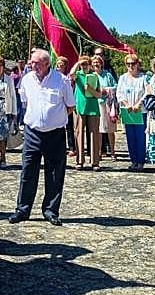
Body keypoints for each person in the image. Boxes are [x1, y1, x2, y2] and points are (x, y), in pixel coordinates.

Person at [9, 49, 75, 226]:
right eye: (31, 62)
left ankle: (51, 210)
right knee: (28, 171)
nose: (32, 65)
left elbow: (70, 106)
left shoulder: (61, 80)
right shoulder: (27, 79)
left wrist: (54, 119)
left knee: (54, 173)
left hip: (55, 134)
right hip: (32, 132)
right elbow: (24, 101)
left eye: (36, 63)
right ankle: (22, 210)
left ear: (47, 64)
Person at [69, 56, 101, 171]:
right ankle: (79, 160)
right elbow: (71, 74)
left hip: (93, 108)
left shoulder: (94, 76)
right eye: (83, 64)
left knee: (94, 134)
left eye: (86, 64)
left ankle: (95, 162)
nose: (84, 66)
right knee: (79, 134)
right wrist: (78, 63)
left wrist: (91, 89)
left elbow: (99, 94)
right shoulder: (78, 75)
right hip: (80, 108)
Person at [116, 54, 147, 171]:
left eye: (132, 64)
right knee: (130, 136)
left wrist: (139, 103)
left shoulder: (143, 77)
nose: (130, 66)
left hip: (140, 110)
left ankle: (140, 161)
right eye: (128, 64)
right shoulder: (123, 78)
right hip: (127, 110)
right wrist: (126, 103)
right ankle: (133, 160)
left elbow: (146, 92)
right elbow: (119, 93)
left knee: (140, 136)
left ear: (137, 64)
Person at [92, 55, 117, 161]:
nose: (96, 64)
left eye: (98, 62)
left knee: (110, 130)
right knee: (98, 130)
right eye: (94, 62)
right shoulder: (91, 76)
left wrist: (107, 89)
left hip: (107, 104)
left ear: (101, 63)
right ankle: (98, 152)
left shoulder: (107, 75)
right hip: (96, 104)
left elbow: (116, 86)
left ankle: (112, 152)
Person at [54, 56, 77, 157]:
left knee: (69, 126)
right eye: (58, 64)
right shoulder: (53, 76)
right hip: (56, 104)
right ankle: (58, 147)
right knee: (57, 127)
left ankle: (72, 147)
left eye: (62, 64)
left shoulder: (68, 77)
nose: (59, 66)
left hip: (67, 103)